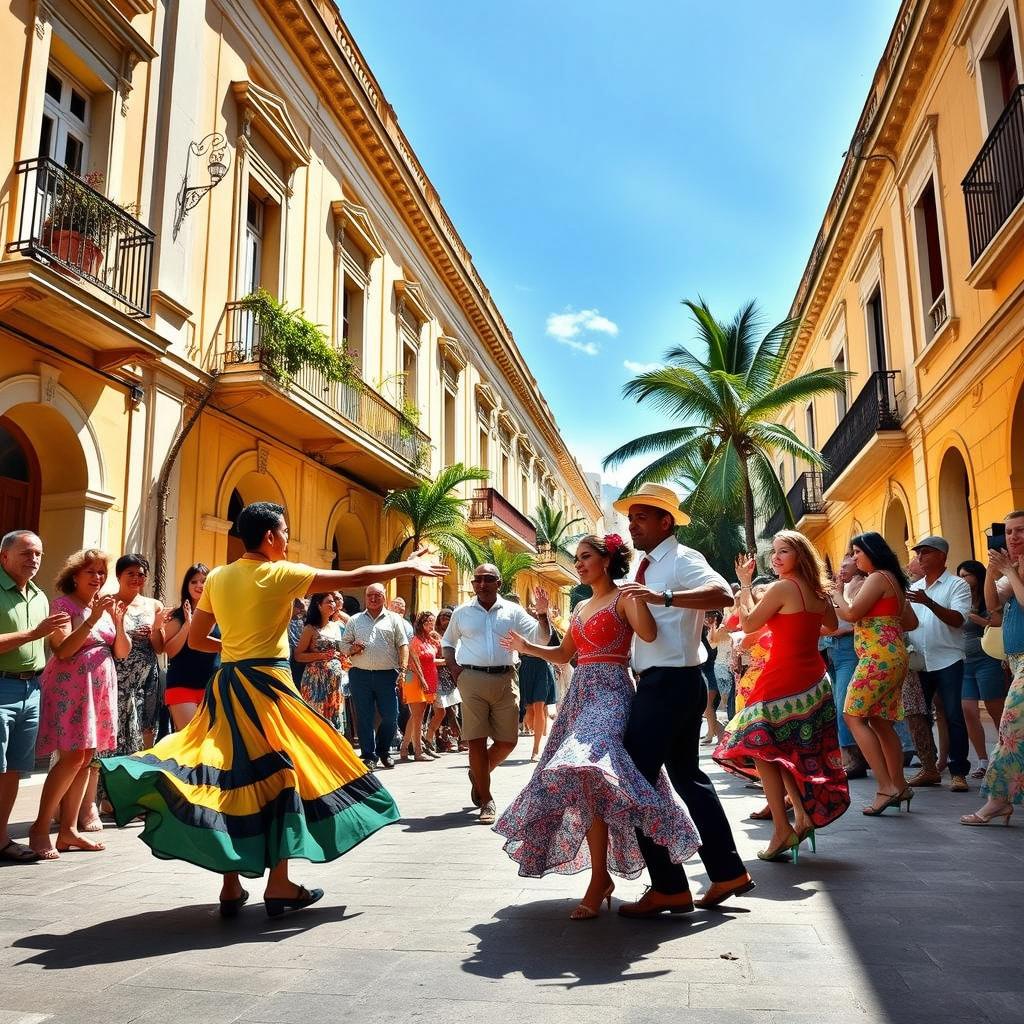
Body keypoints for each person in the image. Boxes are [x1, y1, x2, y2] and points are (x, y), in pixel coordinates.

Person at [100, 501, 447, 917]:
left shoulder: (220, 575)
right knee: (279, 773)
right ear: (269, 537)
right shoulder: (280, 573)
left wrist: (234, 648)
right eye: (285, 531)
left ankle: (231, 886)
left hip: (227, 684)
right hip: (268, 685)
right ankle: (279, 884)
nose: (287, 538)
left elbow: (196, 640)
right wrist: (406, 568)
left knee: (226, 776)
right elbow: (356, 576)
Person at [495, 534, 701, 919]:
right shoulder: (580, 607)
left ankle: (612, 880)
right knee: (588, 782)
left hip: (612, 692)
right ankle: (600, 878)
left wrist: (639, 597)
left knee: (587, 759)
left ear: (606, 560)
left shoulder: (624, 597)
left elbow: (650, 634)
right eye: (578, 559)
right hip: (579, 696)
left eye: (586, 557)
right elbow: (564, 655)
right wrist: (528, 644)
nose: (580, 564)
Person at [609, 483, 750, 916]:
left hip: (670, 683)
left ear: (665, 521)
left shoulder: (683, 560)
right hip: (669, 683)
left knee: (634, 780)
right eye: (630, 518)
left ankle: (670, 885)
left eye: (641, 517)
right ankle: (726, 871)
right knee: (688, 778)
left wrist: (663, 595)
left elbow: (723, 595)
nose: (632, 525)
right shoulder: (647, 564)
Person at [715, 534, 849, 860]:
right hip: (815, 680)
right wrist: (794, 628)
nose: (775, 557)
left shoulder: (782, 587)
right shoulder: (817, 590)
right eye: (773, 552)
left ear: (799, 555)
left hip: (782, 678)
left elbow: (747, 624)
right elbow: (830, 626)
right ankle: (801, 817)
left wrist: (745, 584)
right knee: (779, 750)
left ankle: (781, 829)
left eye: (783, 551)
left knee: (759, 746)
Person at [30, 549, 129, 859]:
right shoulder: (62, 605)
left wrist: (119, 622)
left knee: (86, 757)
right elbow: (62, 650)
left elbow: (122, 652)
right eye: (91, 572)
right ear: (75, 576)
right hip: (71, 686)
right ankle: (40, 827)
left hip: (98, 686)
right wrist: (94, 620)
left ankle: (69, 831)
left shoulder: (103, 606)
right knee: (72, 758)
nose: (98, 577)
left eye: (102, 572)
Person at [442, 564, 551, 826]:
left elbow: (542, 639)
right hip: (471, 680)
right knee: (476, 741)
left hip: (506, 679)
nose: (481, 584)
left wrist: (543, 614)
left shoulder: (512, 612)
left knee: (507, 742)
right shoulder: (462, 612)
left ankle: (479, 774)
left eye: (488, 579)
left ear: (498, 583)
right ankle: (487, 799)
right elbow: (448, 642)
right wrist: (456, 670)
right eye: (477, 579)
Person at [834, 532, 918, 815]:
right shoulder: (893, 579)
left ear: (872, 552)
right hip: (893, 655)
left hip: (878, 657)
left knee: (853, 716)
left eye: (857, 552)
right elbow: (911, 621)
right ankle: (899, 785)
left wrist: (836, 593)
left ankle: (886, 788)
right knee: (881, 722)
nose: (854, 557)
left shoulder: (878, 577)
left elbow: (851, 613)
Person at [0, 531, 69, 862]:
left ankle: (1, 838)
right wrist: (33, 633)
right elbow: (33, 636)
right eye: (26, 553)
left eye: (39, 554)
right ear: (4, 557)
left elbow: (58, 647)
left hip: (31, 689)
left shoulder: (41, 596)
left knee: (14, 769)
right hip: (1, 686)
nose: (34, 559)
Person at [962, 511, 1024, 826]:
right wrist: (991, 570)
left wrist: (1010, 573)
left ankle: (998, 800)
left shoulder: (1016, 572)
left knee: (1009, 729)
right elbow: (993, 610)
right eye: (1009, 531)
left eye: (1021, 530)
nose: (1013, 537)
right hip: (1015, 661)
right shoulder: (1011, 570)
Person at [905, 536, 973, 792]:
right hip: (919, 662)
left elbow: (958, 620)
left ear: (942, 556)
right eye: (918, 552)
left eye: (926, 552)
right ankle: (929, 768)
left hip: (948, 659)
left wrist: (929, 603)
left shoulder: (957, 586)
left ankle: (958, 772)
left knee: (954, 715)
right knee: (919, 716)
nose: (920, 556)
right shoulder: (916, 588)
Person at [341, 584, 409, 770]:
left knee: (390, 716)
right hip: (359, 675)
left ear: (384, 597)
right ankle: (369, 755)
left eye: (377, 595)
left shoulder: (394, 620)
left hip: (387, 675)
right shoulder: (354, 620)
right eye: (369, 595)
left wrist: (402, 670)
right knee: (364, 717)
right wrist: (352, 648)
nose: (373, 598)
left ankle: (383, 750)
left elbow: (403, 645)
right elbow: (344, 646)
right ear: (365, 597)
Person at [957, 559, 1007, 778]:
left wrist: (980, 620)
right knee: (968, 711)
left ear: (977, 576)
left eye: (966, 575)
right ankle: (983, 761)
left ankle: (1005, 756)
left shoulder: (990, 596)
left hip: (988, 660)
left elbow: (999, 621)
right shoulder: (958, 598)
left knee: (997, 711)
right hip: (964, 662)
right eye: (959, 575)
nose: (962, 579)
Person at [158, 563, 219, 732]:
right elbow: (169, 651)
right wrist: (187, 625)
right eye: (194, 582)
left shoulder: (221, 614)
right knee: (189, 738)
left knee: (210, 741)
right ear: (187, 586)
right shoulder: (176, 616)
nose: (199, 585)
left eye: (204, 581)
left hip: (212, 687)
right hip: (182, 685)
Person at [828, 554, 869, 779]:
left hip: (849, 648)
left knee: (846, 705)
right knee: (840, 703)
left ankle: (853, 758)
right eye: (840, 564)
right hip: (833, 648)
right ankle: (853, 756)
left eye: (846, 564)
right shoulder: (844, 586)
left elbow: (859, 619)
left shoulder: (862, 585)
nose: (841, 568)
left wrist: (842, 631)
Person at [295, 592, 345, 729]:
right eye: (328, 602)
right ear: (318, 605)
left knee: (333, 719)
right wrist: (321, 656)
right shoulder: (310, 629)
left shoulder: (336, 626)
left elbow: (340, 650)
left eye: (334, 601)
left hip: (334, 682)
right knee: (316, 719)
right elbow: (298, 655)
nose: (333, 604)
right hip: (315, 681)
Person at [517, 603, 559, 761]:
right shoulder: (522, 628)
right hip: (526, 667)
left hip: (542, 666)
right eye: (532, 611)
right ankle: (534, 729)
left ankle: (536, 750)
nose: (534, 614)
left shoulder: (548, 629)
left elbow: (558, 647)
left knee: (539, 705)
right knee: (529, 710)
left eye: (537, 612)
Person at [401, 611, 439, 761]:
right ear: (420, 624)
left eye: (432, 621)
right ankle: (418, 751)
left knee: (416, 715)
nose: (430, 624)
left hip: (425, 677)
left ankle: (404, 748)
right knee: (418, 716)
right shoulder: (415, 640)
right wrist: (422, 679)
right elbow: (413, 661)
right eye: (427, 622)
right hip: (414, 678)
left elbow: (432, 659)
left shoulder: (429, 639)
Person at [425, 607, 461, 753]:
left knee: (455, 709)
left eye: (448, 618)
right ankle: (440, 739)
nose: (445, 621)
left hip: (455, 674)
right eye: (443, 618)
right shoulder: (434, 635)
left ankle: (456, 738)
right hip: (438, 675)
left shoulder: (457, 633)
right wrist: (446, 661)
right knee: (443, 710)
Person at [699, 612, 725, 745]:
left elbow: (712, 647)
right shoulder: (703, 631)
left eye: (708, 616)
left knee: (708, 706)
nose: (705, 618)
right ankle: (715, 732)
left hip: (712, 671)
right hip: (707, 670)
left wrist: (712, 626)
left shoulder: (718, 630)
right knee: (707, 707)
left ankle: (713, 733)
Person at [287, 598, 307, 688]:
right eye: (299, 607)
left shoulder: (302, 621)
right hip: (290, 659)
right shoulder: (285, 621)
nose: (301, 610)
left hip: (301, 658)